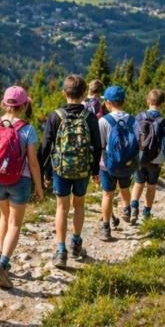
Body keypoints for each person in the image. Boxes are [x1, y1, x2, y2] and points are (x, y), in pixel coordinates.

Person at [0, 86, 44, 289]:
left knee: (4, 218)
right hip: (19, 180)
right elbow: (33, 163)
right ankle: (2, 265)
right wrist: (38, 187)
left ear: (4, 103)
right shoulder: (28, 129)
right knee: (15, 224)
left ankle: (3, 258)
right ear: (23, 106)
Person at [39, 74, 103, 267]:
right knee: (79, 205)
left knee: (62, 207)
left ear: (63, 93)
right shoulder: (90, 117)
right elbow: (97, 146)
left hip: (61, 169)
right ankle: (75, 243)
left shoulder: (55, 116)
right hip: (83, 169)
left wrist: (43, 171)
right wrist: (95, 170)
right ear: (84, 95)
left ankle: (60, 251)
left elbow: (46, 146)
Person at [97, 86, 141, 242]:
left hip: (107, 165)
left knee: (107, 195)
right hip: (127, 163)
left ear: (108, 103)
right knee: (124, 188)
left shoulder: (103, 121)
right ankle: (126, 209)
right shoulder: (133, 121)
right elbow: (138, 143)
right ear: (125, 101)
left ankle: (106, 228)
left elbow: (100, 145)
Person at [128, 89, 165, 224]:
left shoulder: (139, 117)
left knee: (138, 183)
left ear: (148, 102)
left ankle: (134, 208)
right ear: (162, 104)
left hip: (140, 157)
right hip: (157, 160)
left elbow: (132, 139)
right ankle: (147, 213)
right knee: (151, 187)